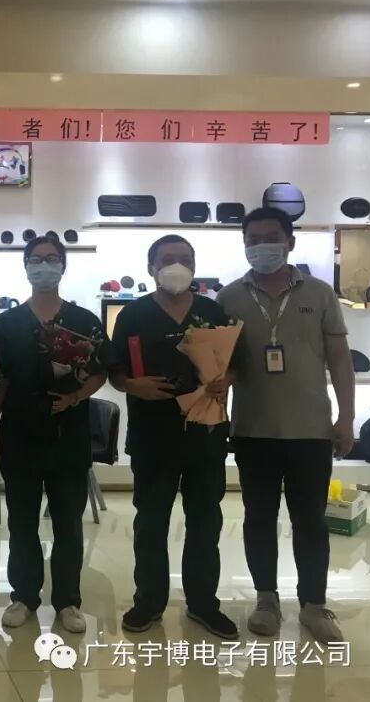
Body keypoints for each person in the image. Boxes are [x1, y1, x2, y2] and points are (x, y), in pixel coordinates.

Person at [217, 207, 353, 644]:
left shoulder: (320, 293)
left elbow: (340, 359)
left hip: (311, 429)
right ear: (244, 245)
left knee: (310, 521)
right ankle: (266, 600)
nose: (262, 246)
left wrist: (346, 417)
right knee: (258, 518)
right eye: (253, 239)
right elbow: (218, 364)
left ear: (289, 242)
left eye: (271, 237)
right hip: (252, 430)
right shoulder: (229, 298)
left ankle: (313, 604)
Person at [108, 234, 239, 639]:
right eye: (167, 259)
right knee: (151, 523)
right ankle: (148, 602)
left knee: (205, 522)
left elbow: (238, 363)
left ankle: (203, 604)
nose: (176, 266)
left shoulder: (213, 311)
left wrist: (226, 381)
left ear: (195, 266)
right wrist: (133, 385)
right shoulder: (133, 315)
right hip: (153, 436)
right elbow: (114, 371)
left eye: (184, 258)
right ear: (151, 268)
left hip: (205, 433)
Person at [0, 237, 108, 633]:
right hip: (19, 433)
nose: (44, 266)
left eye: (52, 259)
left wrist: (75, 397)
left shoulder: (83, 320)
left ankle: (68, 601)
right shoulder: (7, 323)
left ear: (63, 266)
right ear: (25, 266)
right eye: (36, 259)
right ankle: (23, 596)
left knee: (69, 522)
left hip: (68, 434)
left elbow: (101, 371)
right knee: (22, 522)